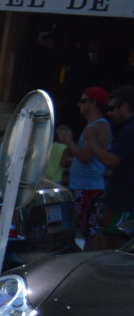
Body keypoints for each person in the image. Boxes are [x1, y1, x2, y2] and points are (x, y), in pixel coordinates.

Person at [56, 86, 112, 248]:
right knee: (80, 229)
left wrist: (68, 140)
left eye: (83, 101)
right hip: (81, 186)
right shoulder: (92, 126)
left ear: (94, 104)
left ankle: (87, 265)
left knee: (89, 231)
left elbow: (85, 156)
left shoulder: (99, 126)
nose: (78, 105)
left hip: (88, 188)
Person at [91, 86, 134, 248]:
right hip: (124, 197)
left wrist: (93, 141)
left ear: (125, 106)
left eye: (112, 108)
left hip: (123, 200)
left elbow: (111, 160)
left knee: (113, 243)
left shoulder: (130, 129)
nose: (109, 113)